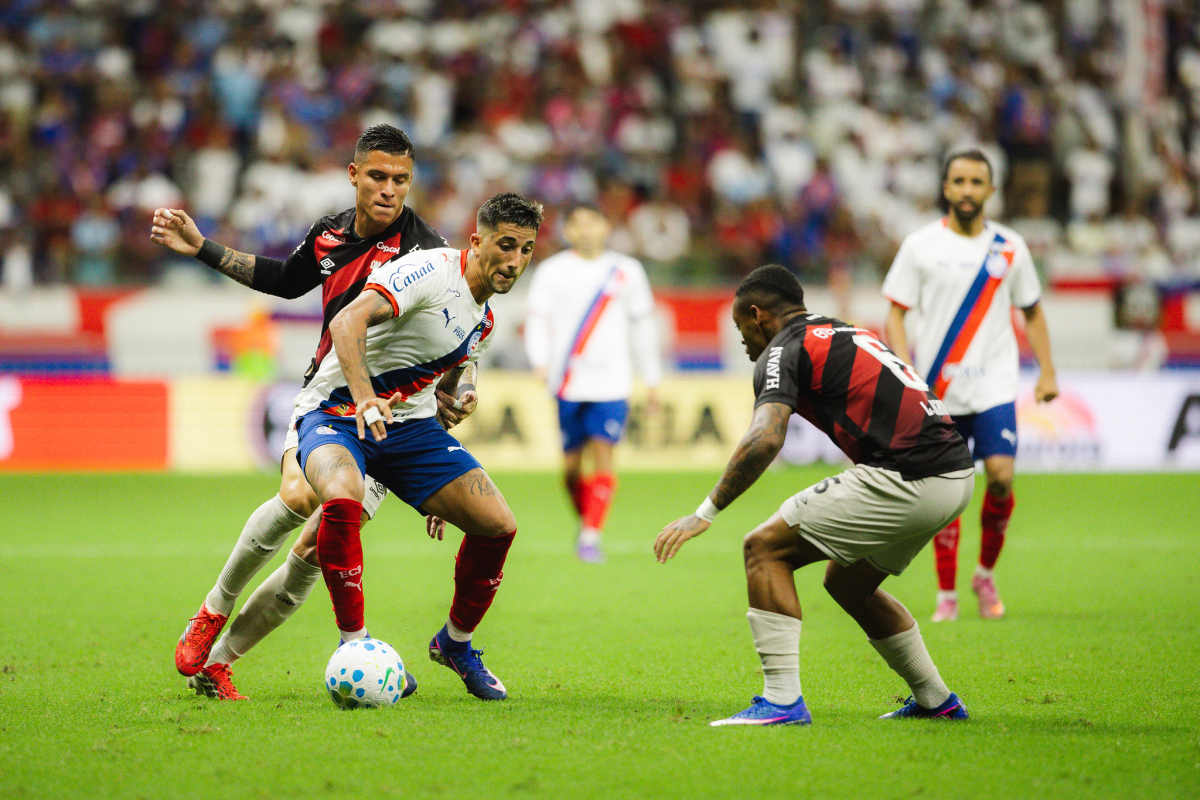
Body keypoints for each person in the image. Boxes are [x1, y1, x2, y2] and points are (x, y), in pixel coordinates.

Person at [150, 124, 455, 699]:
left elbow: (445, 343)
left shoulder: (429, 254)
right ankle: (212, 610)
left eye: (402, 180)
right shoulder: (330, 235)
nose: (390, 190)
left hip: (392, 423)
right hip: (330, 401)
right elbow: (285, 281)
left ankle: (219, 661)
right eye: (378, 177)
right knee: (298, 495)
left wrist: (433, 467)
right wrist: (203, 249)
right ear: (354, 175)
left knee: (315, 553)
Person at [654, 264, 975, 726]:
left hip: (907, 475)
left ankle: (781, 702)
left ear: (757, 314)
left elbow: (765, 438)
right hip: (954, 477)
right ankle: (936, 699)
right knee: (848, 584)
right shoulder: (841, 331)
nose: (742, 338)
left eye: (740, 325)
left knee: (764, 549)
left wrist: (704, 512)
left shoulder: (783, 349)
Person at [294, 192, 543, 701]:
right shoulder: (429, 270)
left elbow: (438, 390)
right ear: (478, 241)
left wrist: (438, 484)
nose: (515, 261)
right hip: (338, 412)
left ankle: (455, 644)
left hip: (407, 430)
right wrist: (364, 400)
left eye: (527, 250)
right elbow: (347, 321)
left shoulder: (484, 321)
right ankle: (356, 648)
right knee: (343, 493)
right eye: (506, 245)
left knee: (497, 526)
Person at [882, 148, 1058, 622]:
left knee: (1000, 477)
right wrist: (904, 372)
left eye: (976, 182)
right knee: (948, 494)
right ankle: (946, 596)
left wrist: (1047, 371)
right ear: (945, 188)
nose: (967, 190)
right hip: (937, 389)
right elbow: (895, 313)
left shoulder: (1010, 247)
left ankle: (983, 573)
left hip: (994, 385)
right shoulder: (920, 245)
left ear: (990, 191)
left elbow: (1032, 311)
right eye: (958, 181)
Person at [524, 204, 661, 562]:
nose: (586, 230)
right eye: (578, 224)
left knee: (603, 454)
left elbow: (643, 327)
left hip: (612, 380)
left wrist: (651, 379)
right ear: (568, 231)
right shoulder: (552, 271)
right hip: (567, 380)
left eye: (593, 222)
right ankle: (588, 520)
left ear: (606, 226)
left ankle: (590, 535)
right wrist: (538, 361)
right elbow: (537, 319)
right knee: (570, 468)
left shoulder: (627, 271)